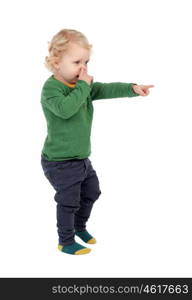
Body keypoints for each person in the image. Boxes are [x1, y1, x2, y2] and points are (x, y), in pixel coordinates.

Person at [40, 29, 154, 255]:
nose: (83, 69)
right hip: (60, 161)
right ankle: (65, 240)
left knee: (92, 192)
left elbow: (104, 88)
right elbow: (65, 110)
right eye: (76, 62)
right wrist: (83, 86)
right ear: (56, 63)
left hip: (81, 158)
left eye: (86, 62)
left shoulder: (80, 86)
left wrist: (131, 89)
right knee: (68, 201)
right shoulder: (51, 89)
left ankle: (79, 227)